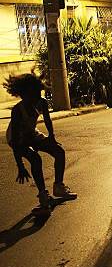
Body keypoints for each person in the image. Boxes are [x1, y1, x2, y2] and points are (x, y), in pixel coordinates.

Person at [3, 73, 77, 210]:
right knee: (35, 159)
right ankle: (43, 195)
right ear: (24, 95)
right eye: (33, 94)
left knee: (59, 151)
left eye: (39, 92)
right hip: (17, 138)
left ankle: (59, 187)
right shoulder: (17, 111)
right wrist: (20, 166)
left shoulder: (41, 102)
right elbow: (15, 142)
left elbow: (47, 120)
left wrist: (51, 137)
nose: (37, 96)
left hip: (32, 133)